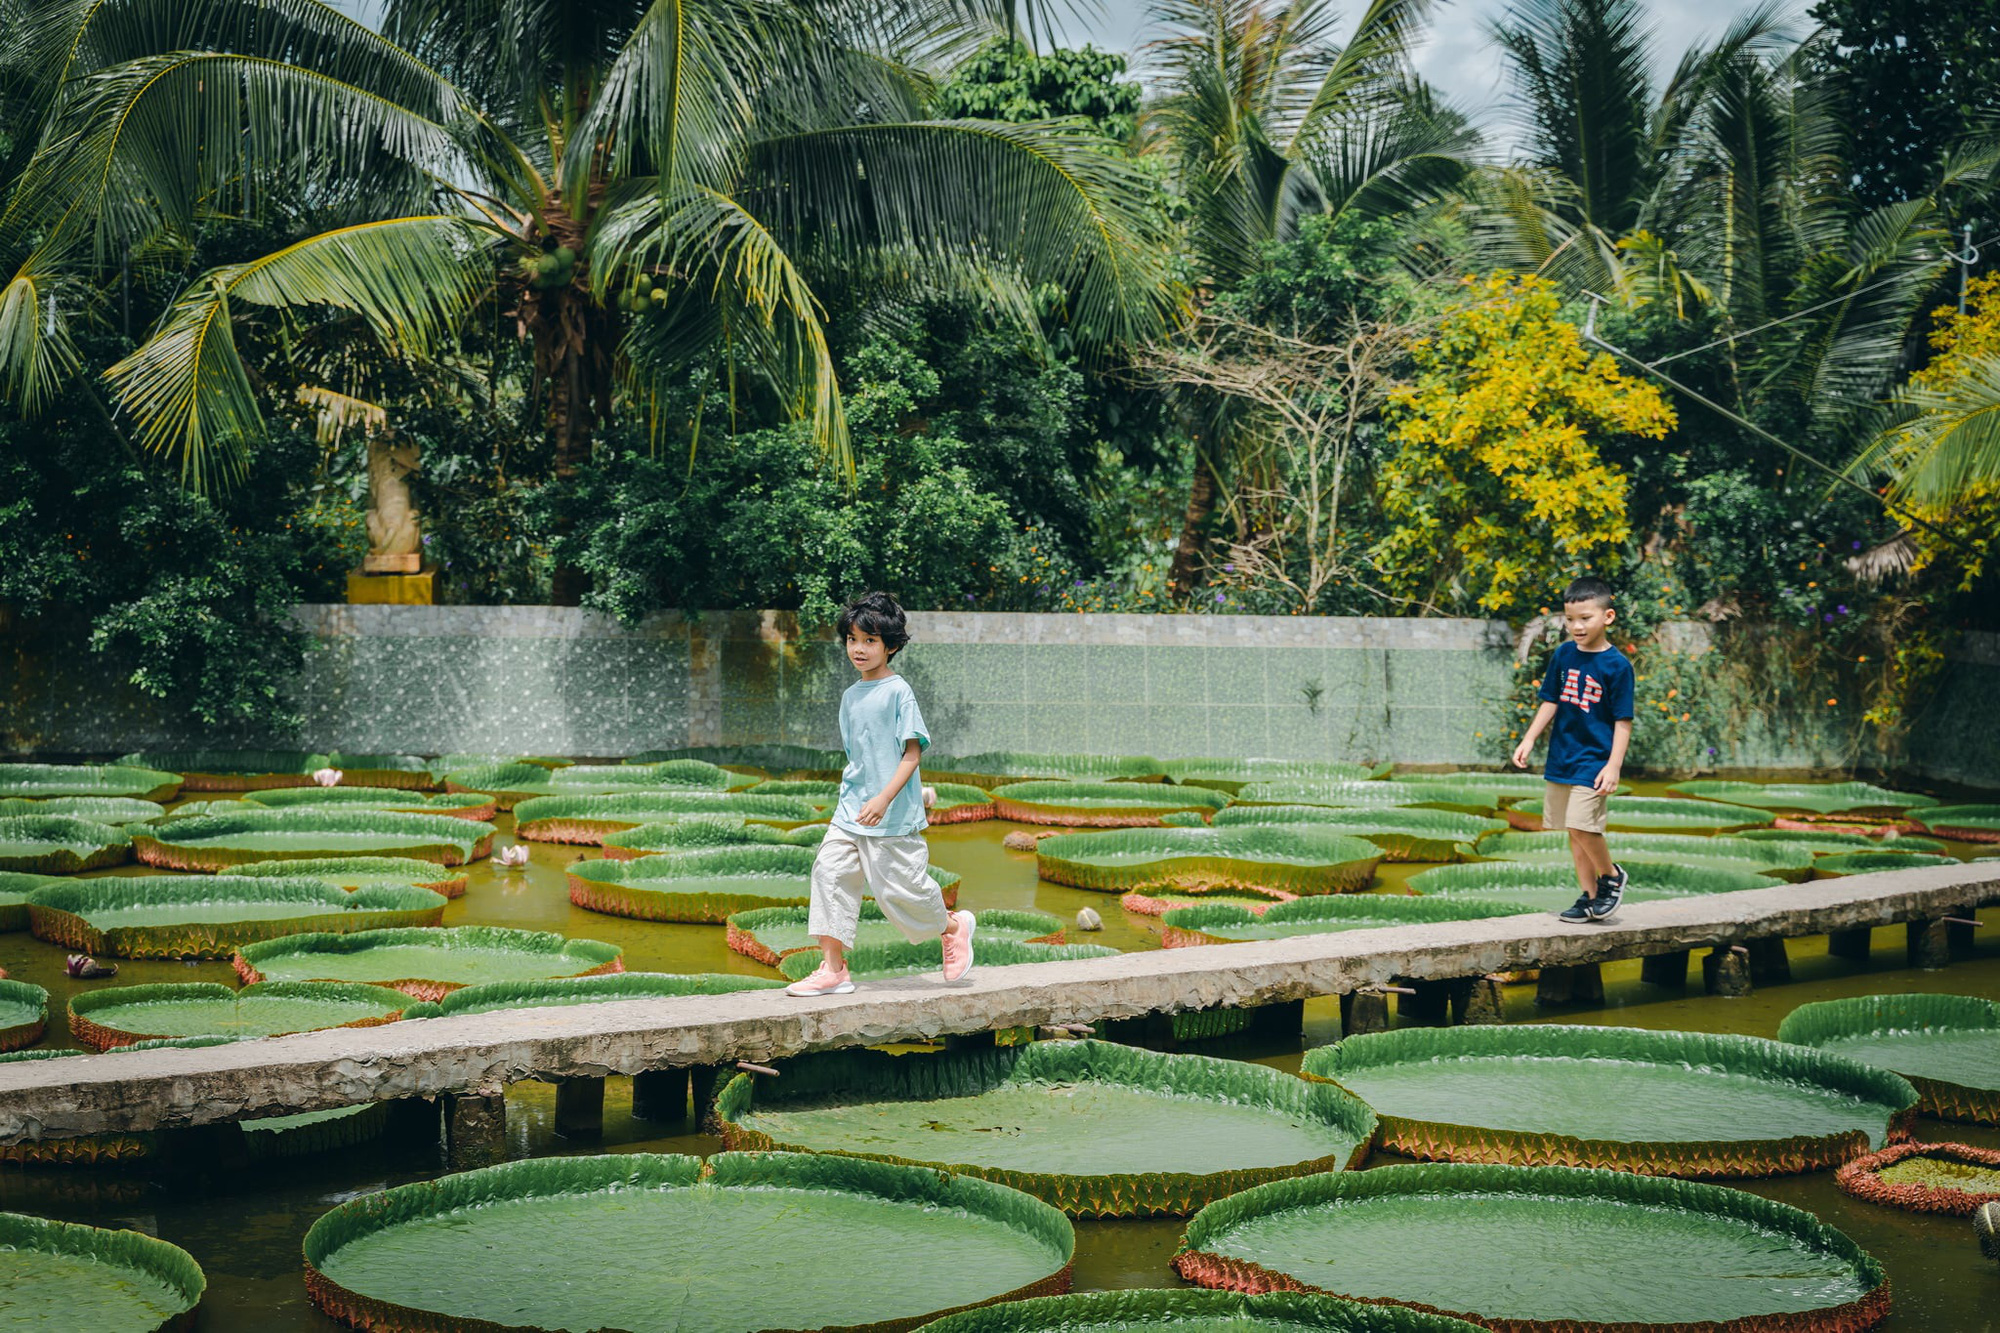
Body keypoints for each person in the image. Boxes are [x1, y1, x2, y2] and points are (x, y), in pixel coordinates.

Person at [786, 591, 975, 996]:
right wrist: (858, 798)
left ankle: (954, 926)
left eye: (870, 640)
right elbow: (858, 756)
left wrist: (885, 798)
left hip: (889, 812)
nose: (859, 648)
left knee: (898, 890)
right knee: (829, 873)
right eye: (853, 639)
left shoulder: (898, 691)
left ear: (890, 646)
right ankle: (833, 969)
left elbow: (911, 753)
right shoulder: (850, 696)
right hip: (851, 809)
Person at [1510, 576, 1635, 923]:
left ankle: (1611, 876)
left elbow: (1623, 721)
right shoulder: (1564, 654)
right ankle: (1590, 896)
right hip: (1562, 756)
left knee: (1583, 826)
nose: (1576, 626)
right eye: (1570, 619)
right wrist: (1529, 738)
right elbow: (1550, 700)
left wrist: (1614, 766)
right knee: (1572, 830)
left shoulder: (1617, 666)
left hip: (1594, 761)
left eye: (1585, 618)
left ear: (1607, 617)